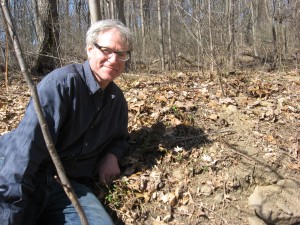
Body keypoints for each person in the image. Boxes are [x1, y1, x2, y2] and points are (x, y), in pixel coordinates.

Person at [0, 19, 133, 225]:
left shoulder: (117, 101)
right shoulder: (60, 86)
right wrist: (10, 212)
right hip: (22, 171)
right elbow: (23, 155)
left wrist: (112, 155)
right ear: (90, 49)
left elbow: (121, 138)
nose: (114, 59)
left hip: (68, 185)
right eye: (106, 50)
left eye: (121, 54)